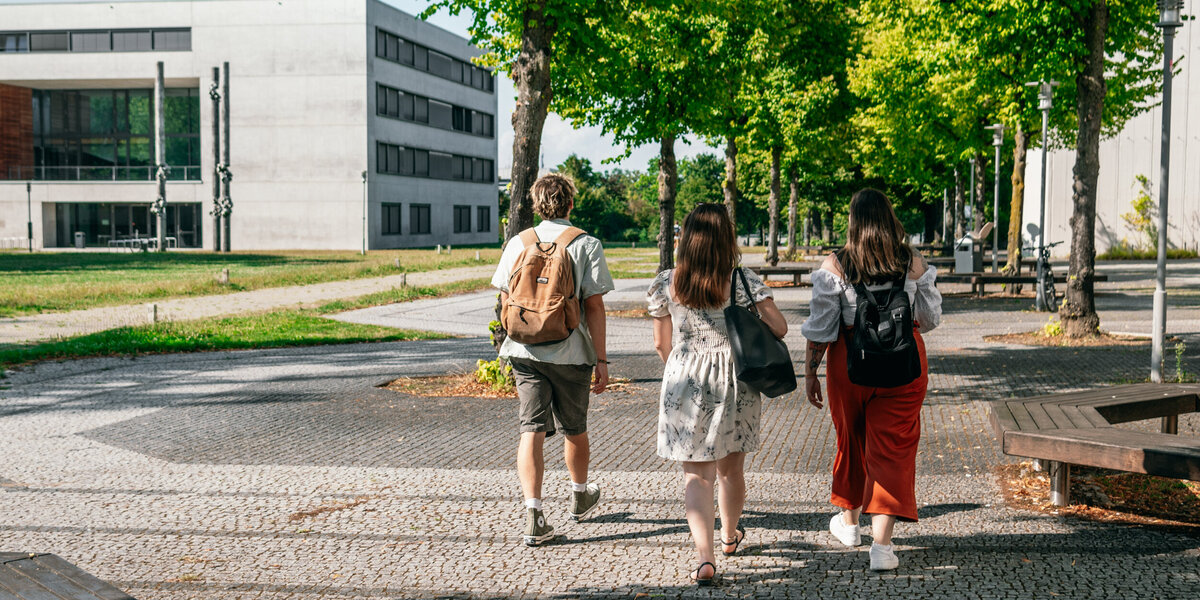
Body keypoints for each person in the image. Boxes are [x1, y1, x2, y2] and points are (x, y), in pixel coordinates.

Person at [800, 188, 942, 571]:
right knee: (892, 450)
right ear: (889, 217)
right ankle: (882, 548)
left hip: (850, 364)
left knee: (851, 441)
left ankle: (849, 524)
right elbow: (928, 321)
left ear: (853, 221)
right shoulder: (910, 261)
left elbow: (822, 328)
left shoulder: (836, 265)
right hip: (903, 365)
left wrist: (811, 371)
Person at [646, 203, 788, 585]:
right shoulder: (741, 279)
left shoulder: (667, 282)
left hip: (685, 375)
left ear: (686, 240)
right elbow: (781, 327)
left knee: (697, 475)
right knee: (731, 469)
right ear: (726, 238)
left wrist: (680, 369)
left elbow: (662, 344)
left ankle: (705, 559)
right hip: (735, 378)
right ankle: (729, 536)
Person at [490, 173, 614, 547]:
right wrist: (602, 359)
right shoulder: (585, 243)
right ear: (571, 204)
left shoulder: (518, 242)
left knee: (531, 428)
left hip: (524, 351)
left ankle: (534, 514)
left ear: (535, 204)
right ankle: (579, 496)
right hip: (571, 352)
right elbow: (594, 305)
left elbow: (504, 296)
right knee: (574, 427)